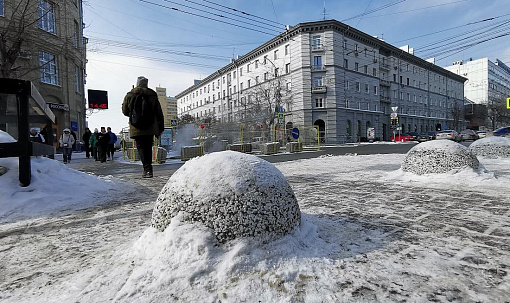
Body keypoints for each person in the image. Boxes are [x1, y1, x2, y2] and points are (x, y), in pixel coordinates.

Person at [122, 76, 164, 178]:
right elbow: (159, 112)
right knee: (148, 147)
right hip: (150, 127)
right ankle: (149, 170)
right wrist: (160, 128)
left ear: (137, 83)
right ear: (146, 84)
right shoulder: (152, 95)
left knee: (141, 148)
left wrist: (135, 115)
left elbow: (125, 111)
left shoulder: (130, 95)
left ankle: (146, 170)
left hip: (136, 127)